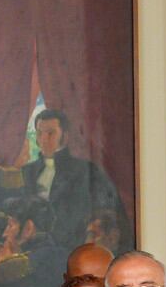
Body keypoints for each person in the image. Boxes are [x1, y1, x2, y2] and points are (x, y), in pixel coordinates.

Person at [23, 109, 132, 257]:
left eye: (51, 133)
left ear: (65, 137)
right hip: (35, 248)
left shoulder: (85, 170)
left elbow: (105, 212)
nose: (44, 139)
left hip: (74, 247)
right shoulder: (27, 172)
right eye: (40, 133)